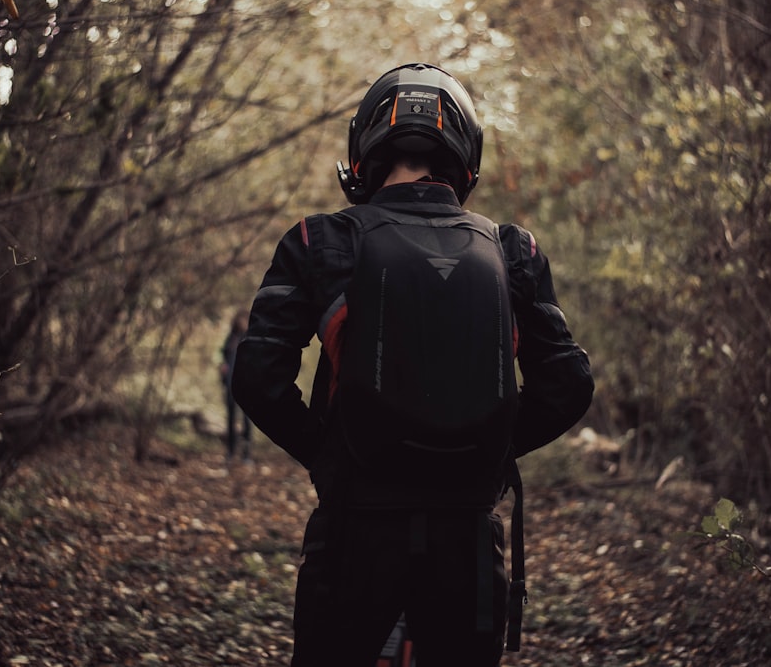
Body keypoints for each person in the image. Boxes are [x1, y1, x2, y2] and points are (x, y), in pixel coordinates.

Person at [232, 63, 594, 667]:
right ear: (464, 159)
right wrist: (492, 449)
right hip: (469, 543)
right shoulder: (514, 251)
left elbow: (257, 377)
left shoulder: (317, 240)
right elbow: (568, 385)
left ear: (365, 150)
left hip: (353, 535)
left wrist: (330, 457)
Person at [220, 308, 252, 461]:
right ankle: (230, 452)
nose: (243, 323)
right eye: (241, 320)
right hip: (231, 385)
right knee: (231, 418)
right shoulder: (231, 338)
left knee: (247, 420)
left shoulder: (251, 337)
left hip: (248, 385)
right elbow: (223, 357)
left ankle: (246, 455)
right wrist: (223, 369)